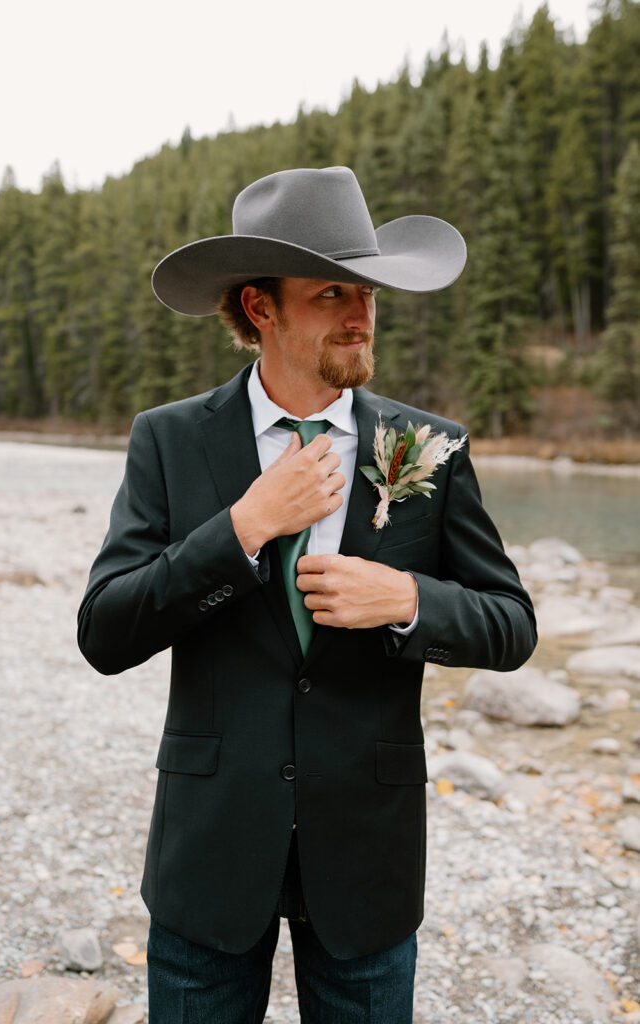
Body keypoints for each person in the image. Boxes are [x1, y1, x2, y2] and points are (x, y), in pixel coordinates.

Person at [78, 166, 537, 1023]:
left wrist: (404, 597)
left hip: (367, 857)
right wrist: (241, 529)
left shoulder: (426, 444)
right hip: (210, 855)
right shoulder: (170, 441)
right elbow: (105, 631)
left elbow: (512, 626)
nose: (362, 313)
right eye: (333, 292)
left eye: (367, 290)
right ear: (261, 308)